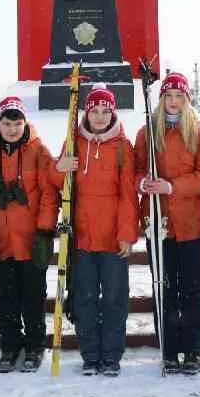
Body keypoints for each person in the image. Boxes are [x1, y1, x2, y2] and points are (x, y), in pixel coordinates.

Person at [52, 83, 138, 376]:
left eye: (105, 111)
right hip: (83, 235)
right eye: (94, 111)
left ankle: (111, 355)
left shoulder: (123, 148)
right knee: (85, 297)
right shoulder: (73, 141)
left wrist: (127, 232)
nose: (100, 117)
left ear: (113, 113)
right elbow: (57, 184)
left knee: (114, 297)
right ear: (86, 113)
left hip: (113, 236)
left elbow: (129, 194)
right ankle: (90, 354)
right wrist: (59, 167)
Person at [133, 72, 200, 374]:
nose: (173, 101)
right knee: (164, 287)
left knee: (191, 289)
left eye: (179, 96)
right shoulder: (147, 132)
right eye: (168, 96)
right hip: (160, 222)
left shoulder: (198, 132)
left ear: (186, 99)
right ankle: (169, 349)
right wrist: (143, 183)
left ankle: (192, 349)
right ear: (161, 99)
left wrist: (172, 187)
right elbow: (136, 168)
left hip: (191, 222)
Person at [0, 96, 59, 373]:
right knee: (6, 294)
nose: (12, 129)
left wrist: (45, 229)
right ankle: (10, 344)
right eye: (7, 123)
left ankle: (35, 345)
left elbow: (48, 193)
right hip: (1, 239)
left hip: (31, 238)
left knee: (33, 294)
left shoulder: (38, 152)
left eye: (17, 123)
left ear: (25, 123)